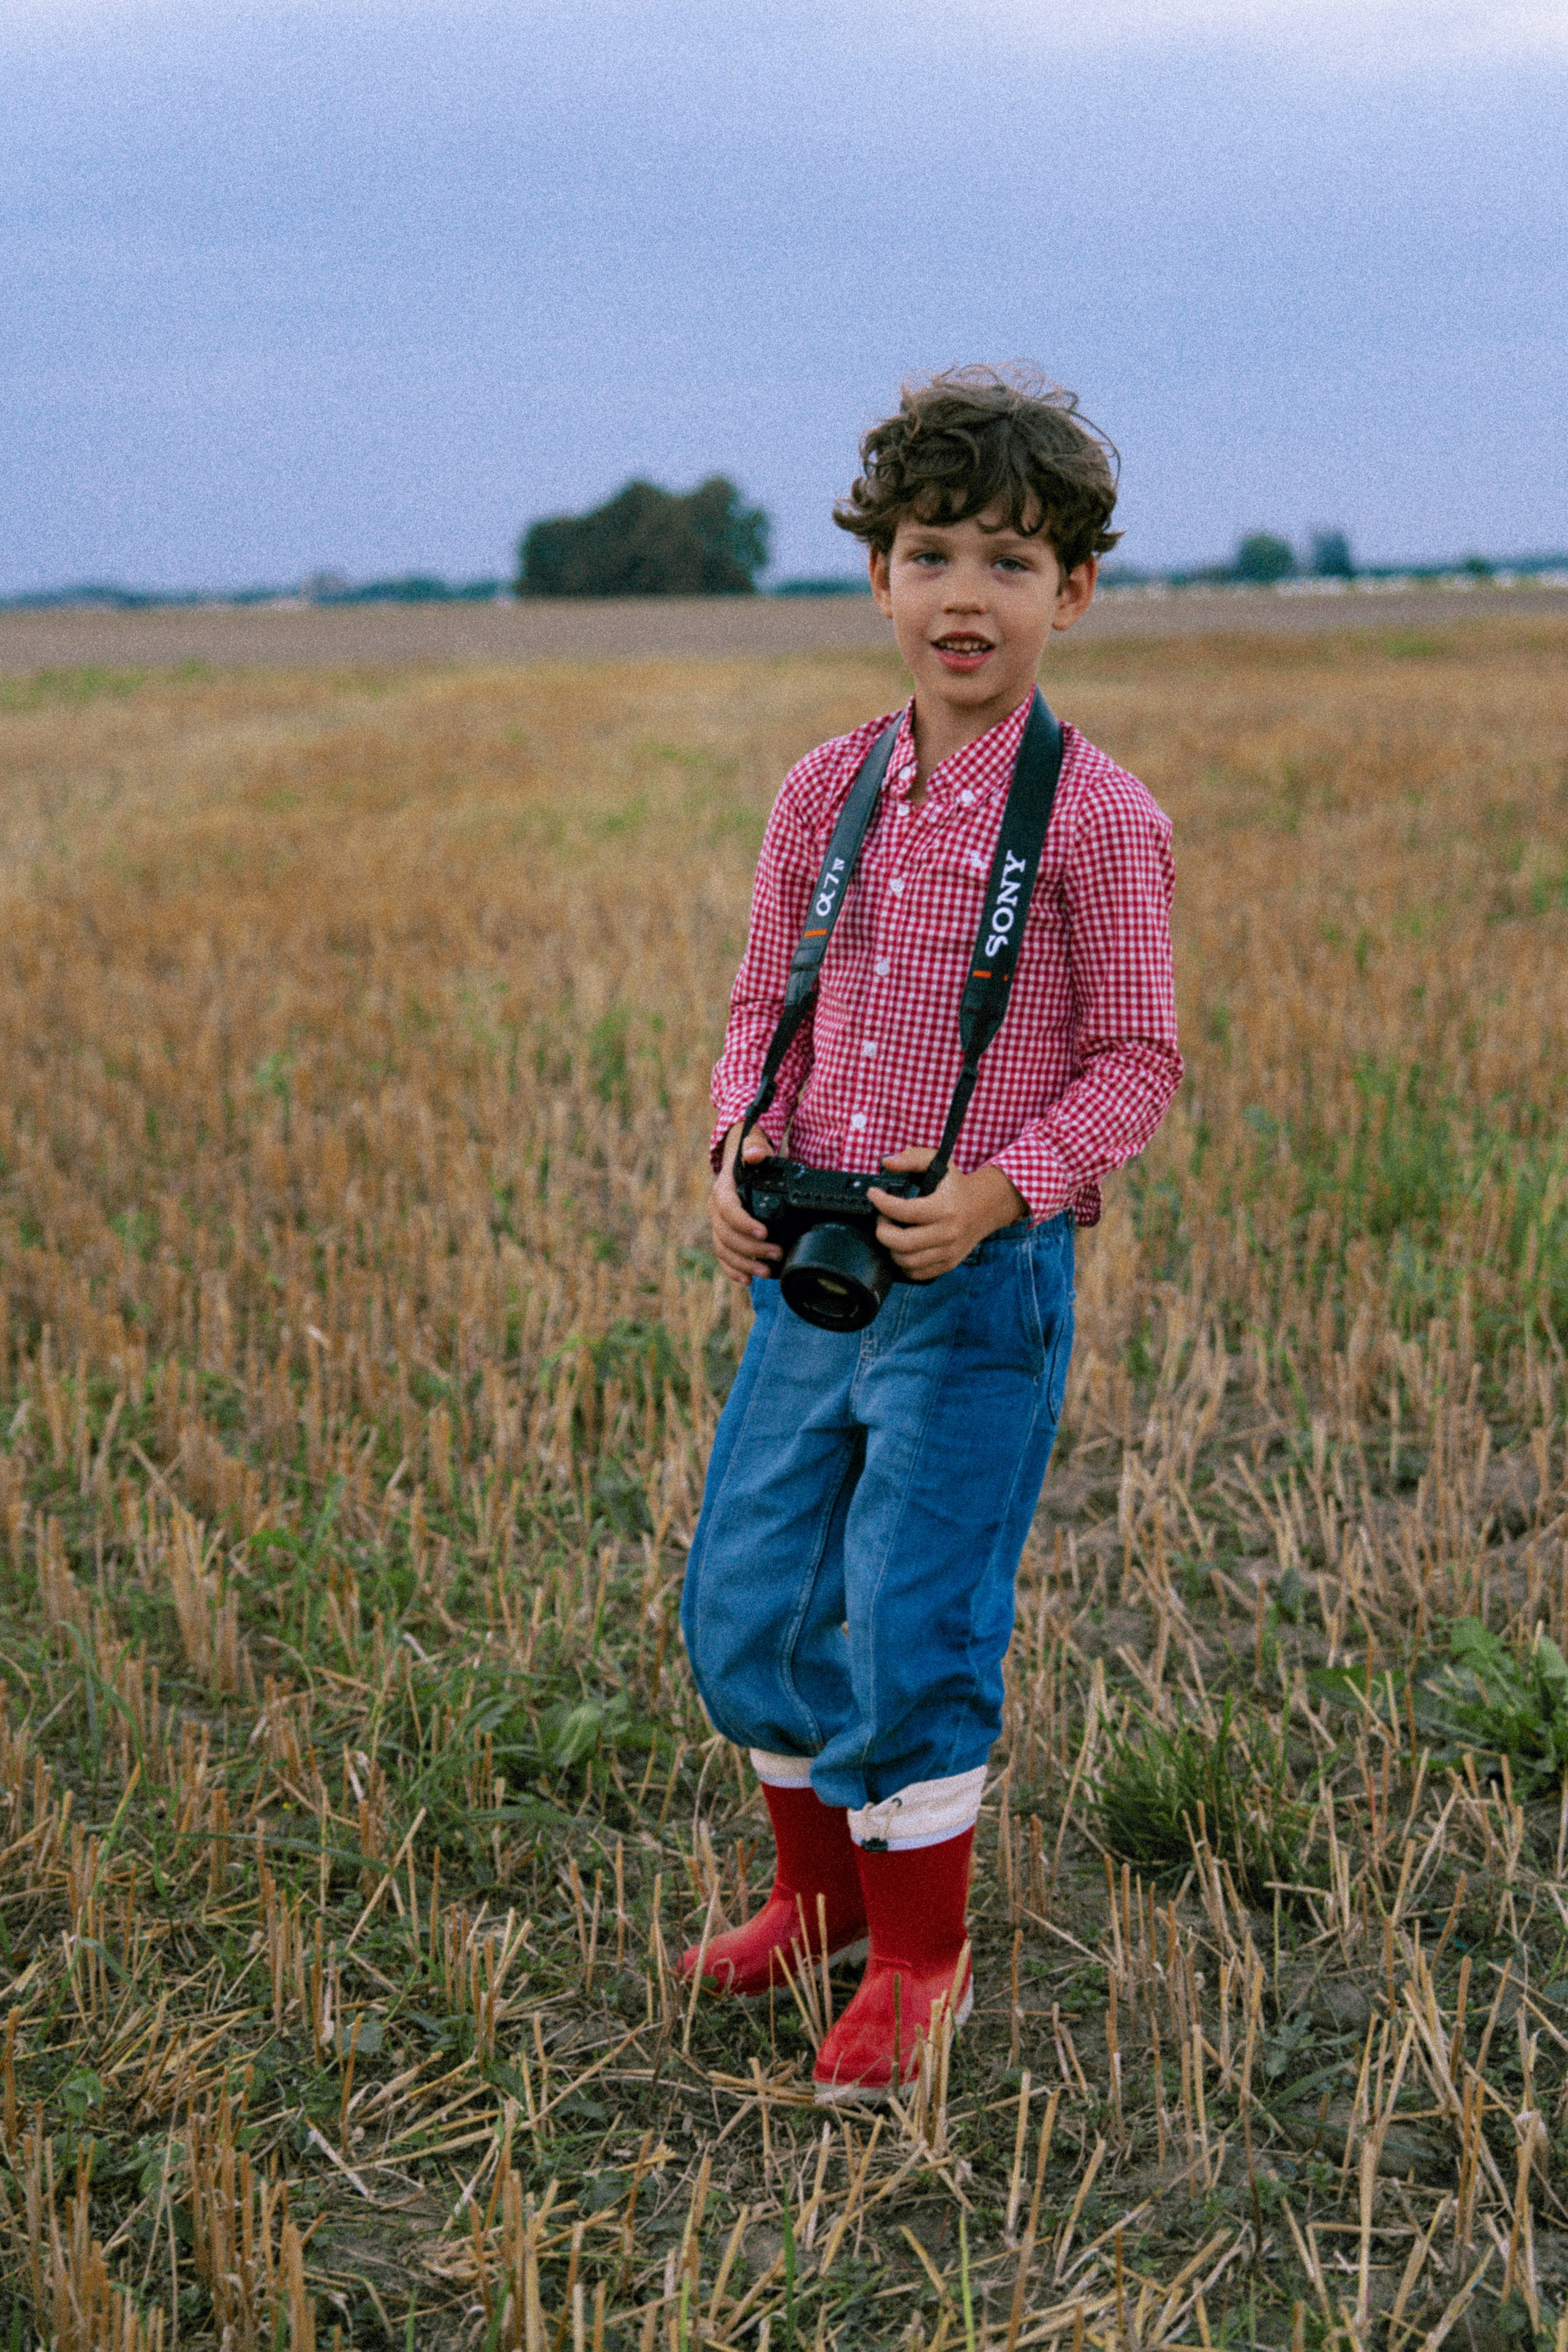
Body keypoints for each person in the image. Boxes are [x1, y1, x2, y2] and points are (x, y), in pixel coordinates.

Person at [678, 367, 1183, 2100]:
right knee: (743, 1604)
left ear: (1077, 592)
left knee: (912, 1621)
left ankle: (917, 1958)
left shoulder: (1100, 820)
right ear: (879, 578)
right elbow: (762, 1007)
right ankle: (816, 1904)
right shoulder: (824, 791)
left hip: (979, 1291)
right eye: (931, 553)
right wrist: (735, 1145)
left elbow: (1136, 1065)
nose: (966, 595)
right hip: (813, 1283)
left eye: (1012, 563)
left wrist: (1003, 1191)